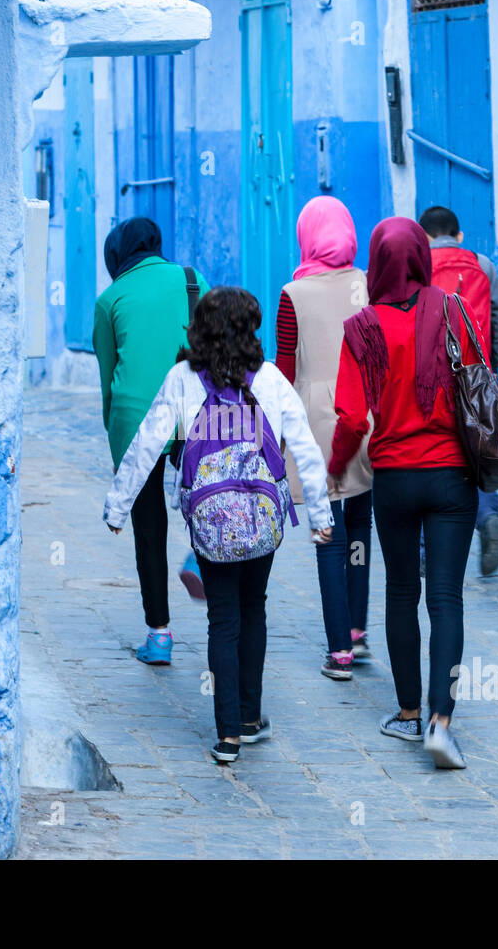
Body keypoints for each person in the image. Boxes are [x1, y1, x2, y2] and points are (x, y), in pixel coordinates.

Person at [103, 286, 334, 763]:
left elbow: (146, 443)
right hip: (261, 522)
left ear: (200, 328)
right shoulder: (270, 380)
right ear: (251, 328)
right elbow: (307, 449)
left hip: (211, 528)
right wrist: (321, 515)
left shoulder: (183, 379)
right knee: (255, 610)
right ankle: (250, 717)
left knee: (222, 619)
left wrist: (117, 506)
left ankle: (227, 735)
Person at [330, 218, 483, 769]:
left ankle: (409, 712)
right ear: (422, 256)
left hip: (393, 477)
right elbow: (476, 378)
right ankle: (442, 721)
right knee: (446, 598)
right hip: (453, 476)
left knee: (400, 593)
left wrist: (335, 466)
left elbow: (349, 416)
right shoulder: (452, 309)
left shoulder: (362, 327)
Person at [92, 217, 210, 666]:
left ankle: (158, 635)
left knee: (147, 522)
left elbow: (108, 372)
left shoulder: (109, 299)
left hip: (134, 414)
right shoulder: (191, 279)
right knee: (205, 493)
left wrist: (113, 427)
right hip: (192, 406)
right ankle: (200, 558)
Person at [275, 196, 374, 680]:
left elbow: (286, 369)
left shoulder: (294, 293)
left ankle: (339, 651)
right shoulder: (366, 286)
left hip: (316, 422)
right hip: (367, 418)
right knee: (360, 526)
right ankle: (356, 630)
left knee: (326, 533)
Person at [419, 205, 498, 577]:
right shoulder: (482, 264)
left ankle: (425, 550)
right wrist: (494, 360)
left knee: (431, 454)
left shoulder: (418, 264)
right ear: (458, 236)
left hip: (431, 377)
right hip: (477, 375)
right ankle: (488, 516)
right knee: (479, 451)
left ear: (424, 237)